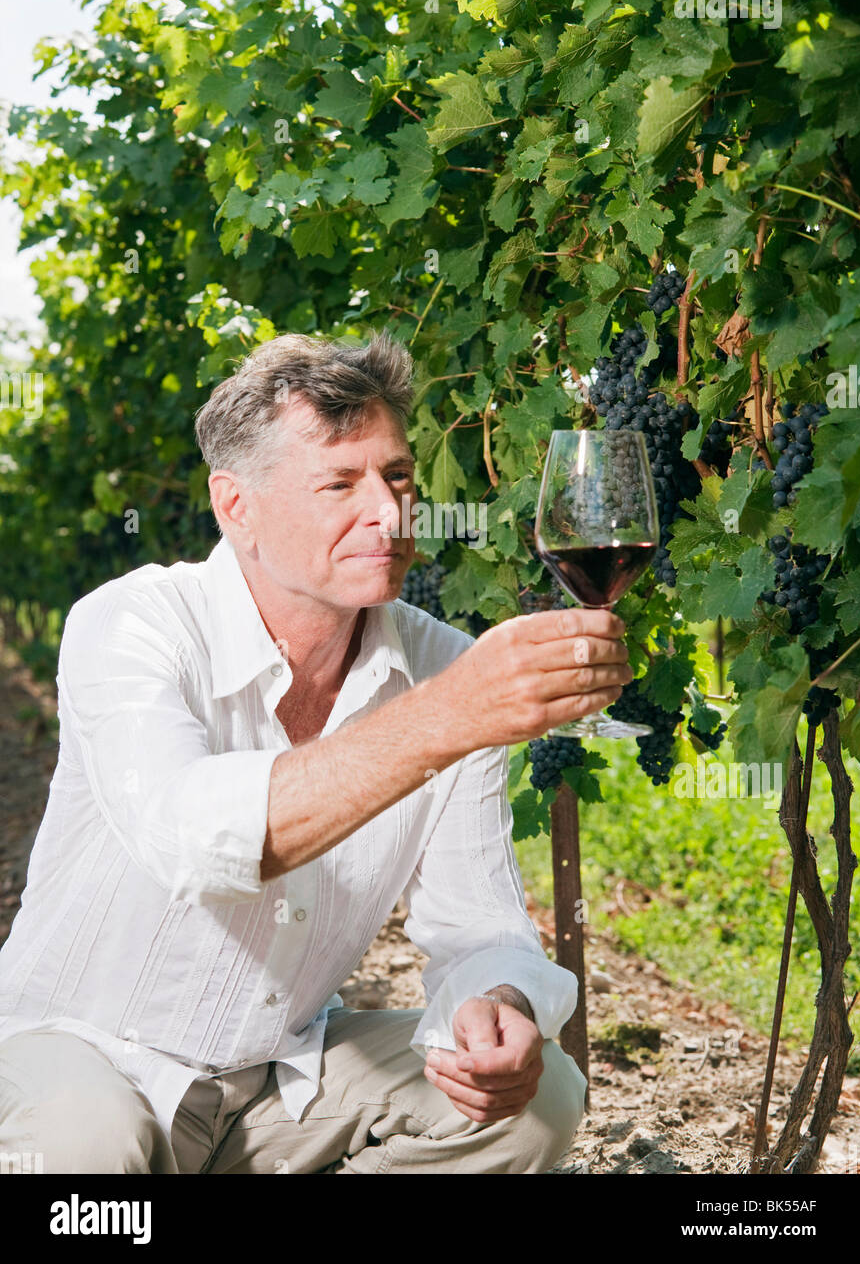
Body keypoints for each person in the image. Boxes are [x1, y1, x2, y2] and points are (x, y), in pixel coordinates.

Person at [0, 330, 632, 1174]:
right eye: (340, 483)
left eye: (398, 476)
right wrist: (454, 713)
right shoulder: (133, 625)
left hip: (276, 1078)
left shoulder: (446, 669)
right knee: (90, 1147)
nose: (390, 510)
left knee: (541, 1097)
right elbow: (196, 839)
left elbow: (479, 923)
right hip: (75, 1052)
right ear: (237, 507)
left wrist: (499, 1000)